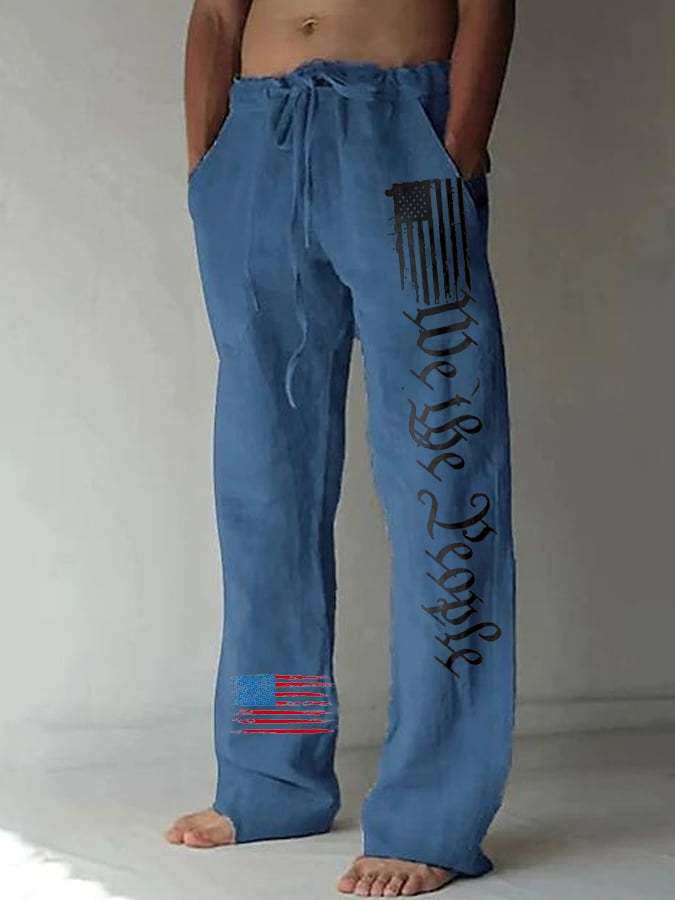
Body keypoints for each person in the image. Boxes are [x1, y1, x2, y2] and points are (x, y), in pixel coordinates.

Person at [166, 1, 517, 896]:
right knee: (264, 494)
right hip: (258, 148)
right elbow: (217, 14)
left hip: (403, 146)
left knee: (443, 481)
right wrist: (208, 161)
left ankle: (431, 816)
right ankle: (272, 777)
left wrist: (455, 148)